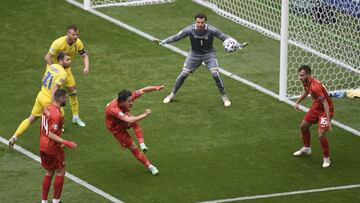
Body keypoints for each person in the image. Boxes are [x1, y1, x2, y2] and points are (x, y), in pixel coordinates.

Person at [154, 13, 242, 107]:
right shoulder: (190, 30)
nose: (200, 24)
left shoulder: (212, 30)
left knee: (215, 74)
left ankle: (225, 97)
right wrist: (163, 41)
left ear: (205, 22)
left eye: (202, 22)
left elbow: (223, 36)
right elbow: (177, 37)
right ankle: (171, 95)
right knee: (183, 74)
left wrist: (238, 44)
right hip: (194, 54)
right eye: (198, 22)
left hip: (209, 54)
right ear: (195, 21)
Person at [8, 52, 71, 148]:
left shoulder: (52, 66)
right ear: (61, 61)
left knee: (31, 118)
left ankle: (14, 137)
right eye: (67, 60)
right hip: (48, 99)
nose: (70, 62)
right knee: (60, 118)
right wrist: (53, 104)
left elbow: (43, 79)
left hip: (41, 95)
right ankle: (58, 143)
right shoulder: (63, 73)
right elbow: (55, 88)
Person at [105, 85, 165, 175]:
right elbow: (129, 120)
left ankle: (142, 145)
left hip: (122, 117)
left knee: (135, 123)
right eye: (129, 101)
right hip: (116, 128)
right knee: (132, 146)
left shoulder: (126, 98)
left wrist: (156, 87)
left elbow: (143, 90)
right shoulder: (113, 109)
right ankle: (150, 166)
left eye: (131, 100)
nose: (131, 103)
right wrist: (145, 114)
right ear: (122, 102)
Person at [44, 24, 90, 127]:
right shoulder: (58, 43)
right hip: (55, 71)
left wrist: (86, 67)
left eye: (77, 34)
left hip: (66, 71)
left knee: (73, 91)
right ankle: (55, 121)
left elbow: (84, 55)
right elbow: (47, 57)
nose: (75, 37)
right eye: (73, 34)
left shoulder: (78, 43)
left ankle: (76, 117)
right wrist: (54, 69)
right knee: (54, 95)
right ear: (68, 34)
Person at [40, 88, 77, 203]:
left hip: (42, 145)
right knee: (60, 171)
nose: (66, 99)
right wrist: (65, 142)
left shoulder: (47, 108)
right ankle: (56, 201)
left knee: (49, 172)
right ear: (60, 98)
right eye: (65, 98)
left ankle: (44, 201)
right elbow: (50, 133)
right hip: (52, 147)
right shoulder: (56, 114)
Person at [293, 65, 334, 168]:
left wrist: (328, 121)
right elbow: (307, 91)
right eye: (299, 75)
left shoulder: (316, 87)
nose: (300, 77)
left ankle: (326, 159)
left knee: (321, 134)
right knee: (303, 126)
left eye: (302, 75)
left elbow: (325, 103)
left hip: (325, 110)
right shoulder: (306, 81)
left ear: (308, 75)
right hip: (316, 107)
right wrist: (297, 102)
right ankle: (307, 149)